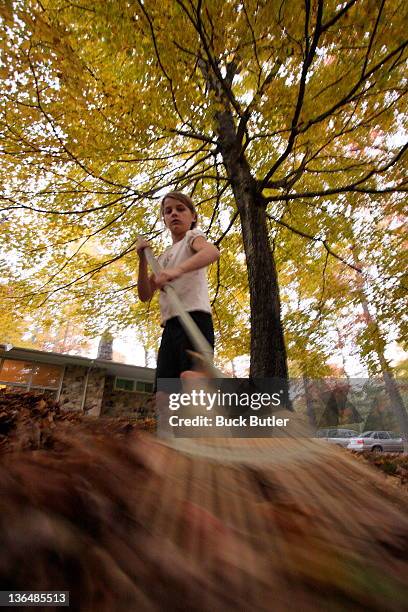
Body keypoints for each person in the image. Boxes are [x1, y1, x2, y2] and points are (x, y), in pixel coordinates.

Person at [136, 191, 220, 385]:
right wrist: (142, 261)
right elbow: (145, 294)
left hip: (194, 318)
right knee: (165, 393)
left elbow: (212, 252)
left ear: (193, 217)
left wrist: (178, 271)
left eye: (180, 209)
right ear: (164, 220)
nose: (174, 213)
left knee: (192, 381)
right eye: (168, 211)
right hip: (170, 327)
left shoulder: (193, 237)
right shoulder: (163, 258)